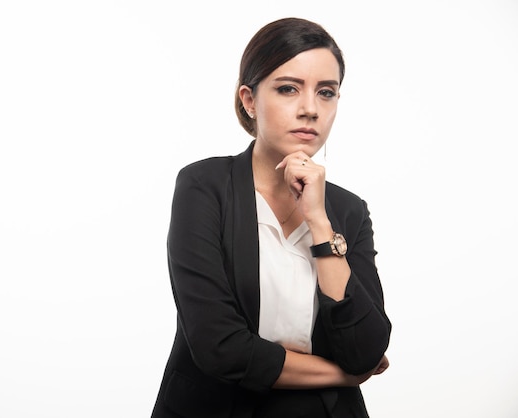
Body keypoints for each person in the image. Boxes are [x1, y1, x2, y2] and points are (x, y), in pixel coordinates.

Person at [151, 17, 391, 418]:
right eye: (287, 89)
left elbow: (366, 348)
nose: (310, 109)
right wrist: (341, 374)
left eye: (326, 92)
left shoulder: (347, 211)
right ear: (249, 100)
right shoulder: (204, 186)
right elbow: (219, 347)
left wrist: (319, 222)